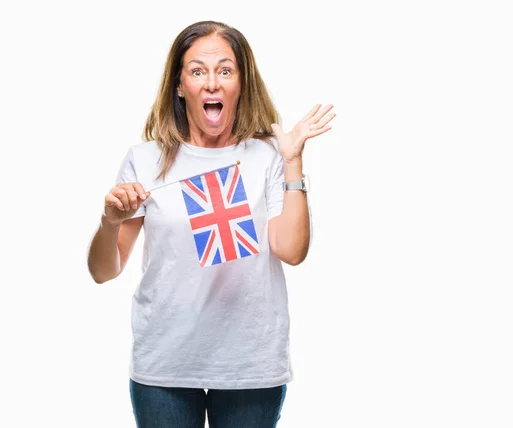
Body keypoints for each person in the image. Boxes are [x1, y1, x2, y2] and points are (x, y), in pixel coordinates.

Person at [87, 20, 335, 428]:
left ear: (241, 82)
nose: (212, 83)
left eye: (225, 70)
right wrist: (109, 222)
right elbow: (103, 271)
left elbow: (291, 251)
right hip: (164, 363)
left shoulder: (268, 155)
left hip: (249, 364)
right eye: (198, 70)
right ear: (180, 85)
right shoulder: (144, 159)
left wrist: (292, 161)